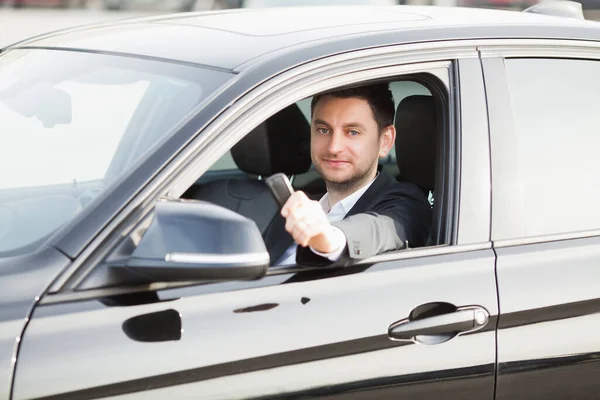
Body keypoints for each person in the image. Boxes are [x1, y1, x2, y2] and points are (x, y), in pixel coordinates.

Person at [276, 83, 432, 267]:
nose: (334, 147)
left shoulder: (406, 205)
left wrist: (327, 236)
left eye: (352, 132)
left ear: (385, 141)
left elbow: (380, 230)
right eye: (323, 130)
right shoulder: (294, 205)